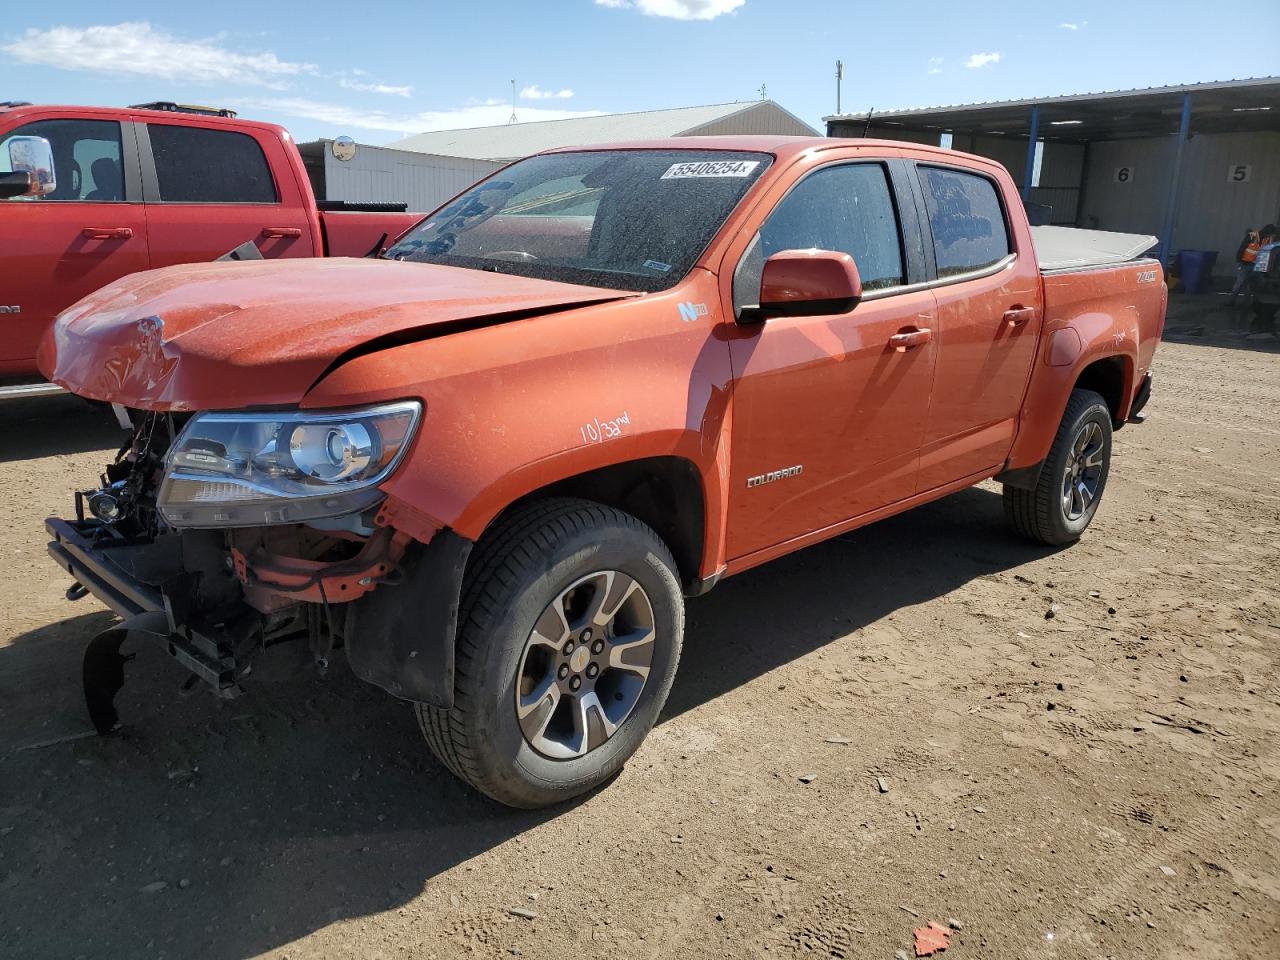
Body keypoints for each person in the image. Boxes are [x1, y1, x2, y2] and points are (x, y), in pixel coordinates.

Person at [1230, 225, 1265, 306]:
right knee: (1248, 284)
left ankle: (1233, 301)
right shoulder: (1256, 242)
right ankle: (1249, 302)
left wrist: (1238, 262)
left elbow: (1241, 252)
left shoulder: (1249, 242)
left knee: (1241, 283)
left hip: (1246, 265)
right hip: (1250, 265)